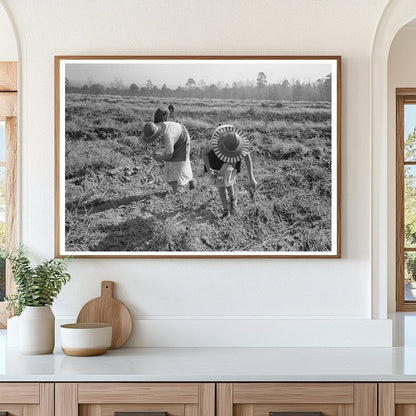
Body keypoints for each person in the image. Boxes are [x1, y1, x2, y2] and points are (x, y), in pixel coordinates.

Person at [202, 124, 257, 219]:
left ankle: (233, 198)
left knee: (229, 179)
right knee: (221, 184)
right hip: (216, 158)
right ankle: (226, 211)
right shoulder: (215, 142)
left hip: (233, 158)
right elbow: (204, 153)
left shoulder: (239, 143)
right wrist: (210, 170)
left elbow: (247, 158)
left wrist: (251, 178)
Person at [141, 120, 196, 193]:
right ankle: (190, 180)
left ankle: (175, 192)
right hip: (175, 136)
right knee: (170, 167)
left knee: (176, 165)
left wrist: (158, 158)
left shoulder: (167, 136)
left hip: (182, 140)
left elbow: (169, 156)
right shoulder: (157, 130)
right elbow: (157, 142)